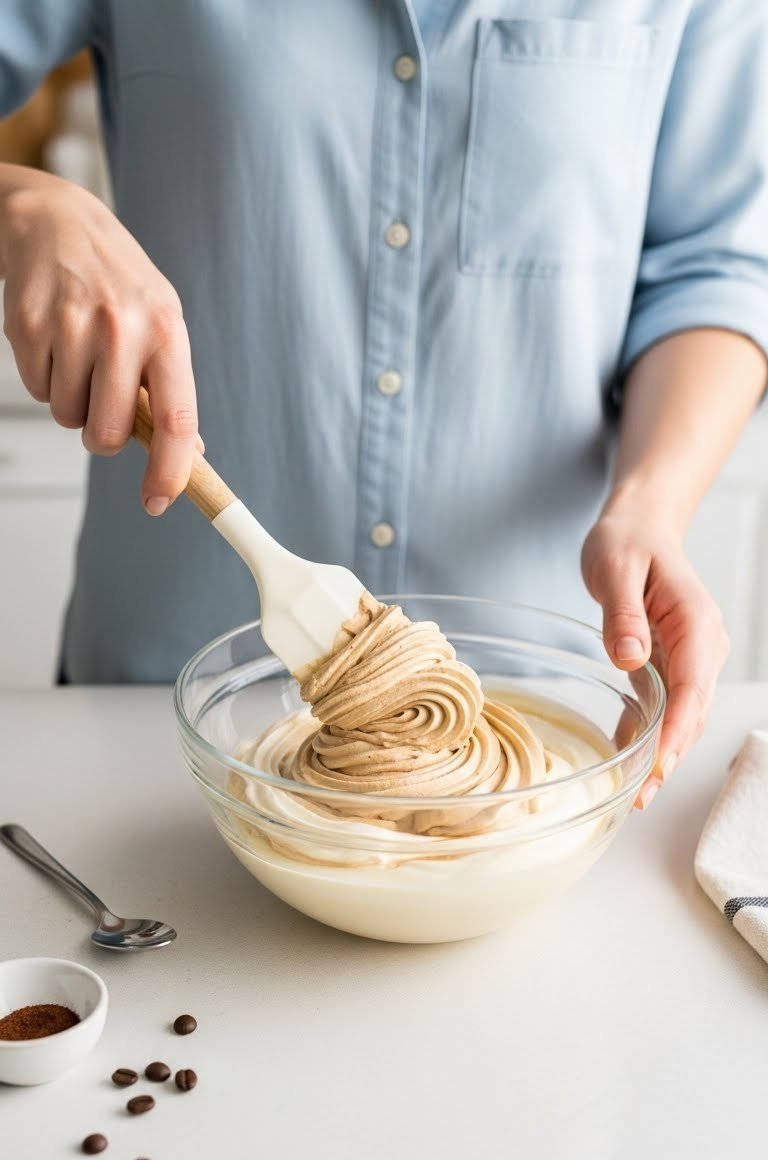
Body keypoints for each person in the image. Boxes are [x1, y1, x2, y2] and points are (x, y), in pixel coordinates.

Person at [0, 2, 766, 810]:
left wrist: (649, 505)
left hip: (547, 736)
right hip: (147, 728)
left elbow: (716, 266)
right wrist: (20, 205)